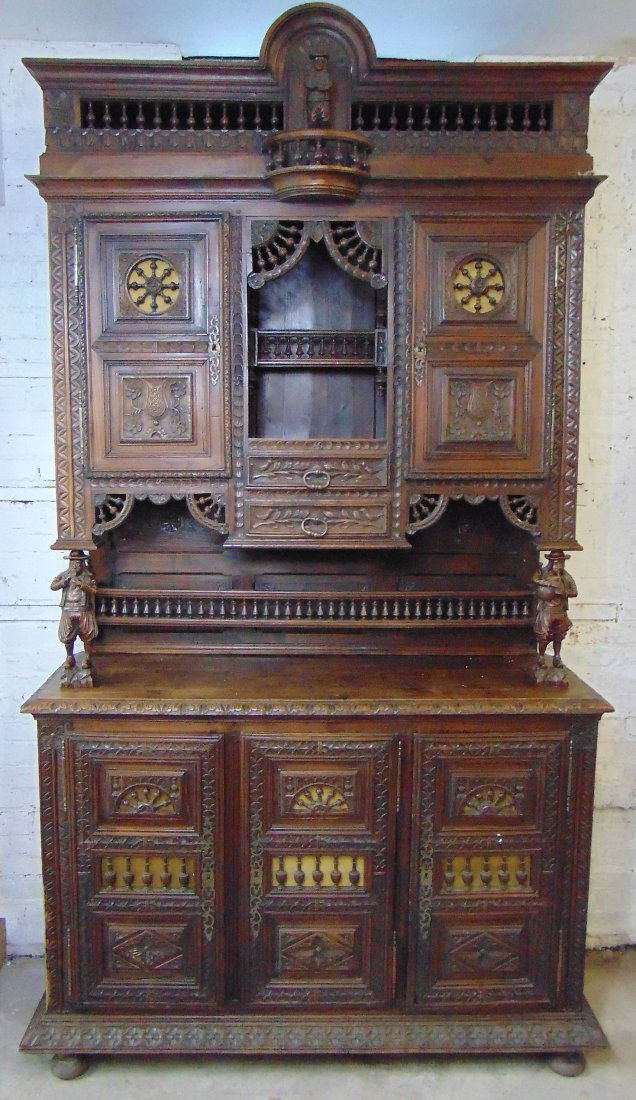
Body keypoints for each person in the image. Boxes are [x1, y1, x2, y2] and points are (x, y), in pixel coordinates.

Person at [51, 551, 98, 683]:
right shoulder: (64, 575)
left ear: (83, 563)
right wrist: (62, 583)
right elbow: (53, 586)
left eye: (78, 562)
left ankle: (87, 657)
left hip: (83, 609)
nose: (75, 565)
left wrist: (82, 585)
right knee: (67, 635)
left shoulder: (88, 577)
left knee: (87, 634)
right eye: (73, 562)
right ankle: (70, 656)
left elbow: (94, 590)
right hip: (68, 608)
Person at [532, 549, 577, 668]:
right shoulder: (543, 573)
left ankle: (557, 657)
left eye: (561, 562)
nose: (559, 565)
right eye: (556, 562)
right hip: (547, 611)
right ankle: (541, 657)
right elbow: (535, 580)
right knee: (543, 635)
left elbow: (574, 592)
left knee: (559, 635)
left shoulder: (566, 576)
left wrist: (562, 592)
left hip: (560, 610)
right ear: (550, 561)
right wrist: (546, 584)